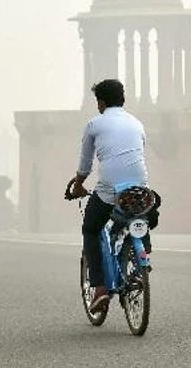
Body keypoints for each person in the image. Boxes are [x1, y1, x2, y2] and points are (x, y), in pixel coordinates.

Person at [69, 79, 150, 313]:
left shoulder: (95, 124)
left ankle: (100, 289)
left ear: (101, 102)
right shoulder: (137, 123)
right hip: (138, 188)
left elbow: (85, 165)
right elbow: (138, 153)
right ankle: (140, 256)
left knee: (91, 228)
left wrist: (77, 185)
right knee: (138, 218)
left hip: (109, 189)